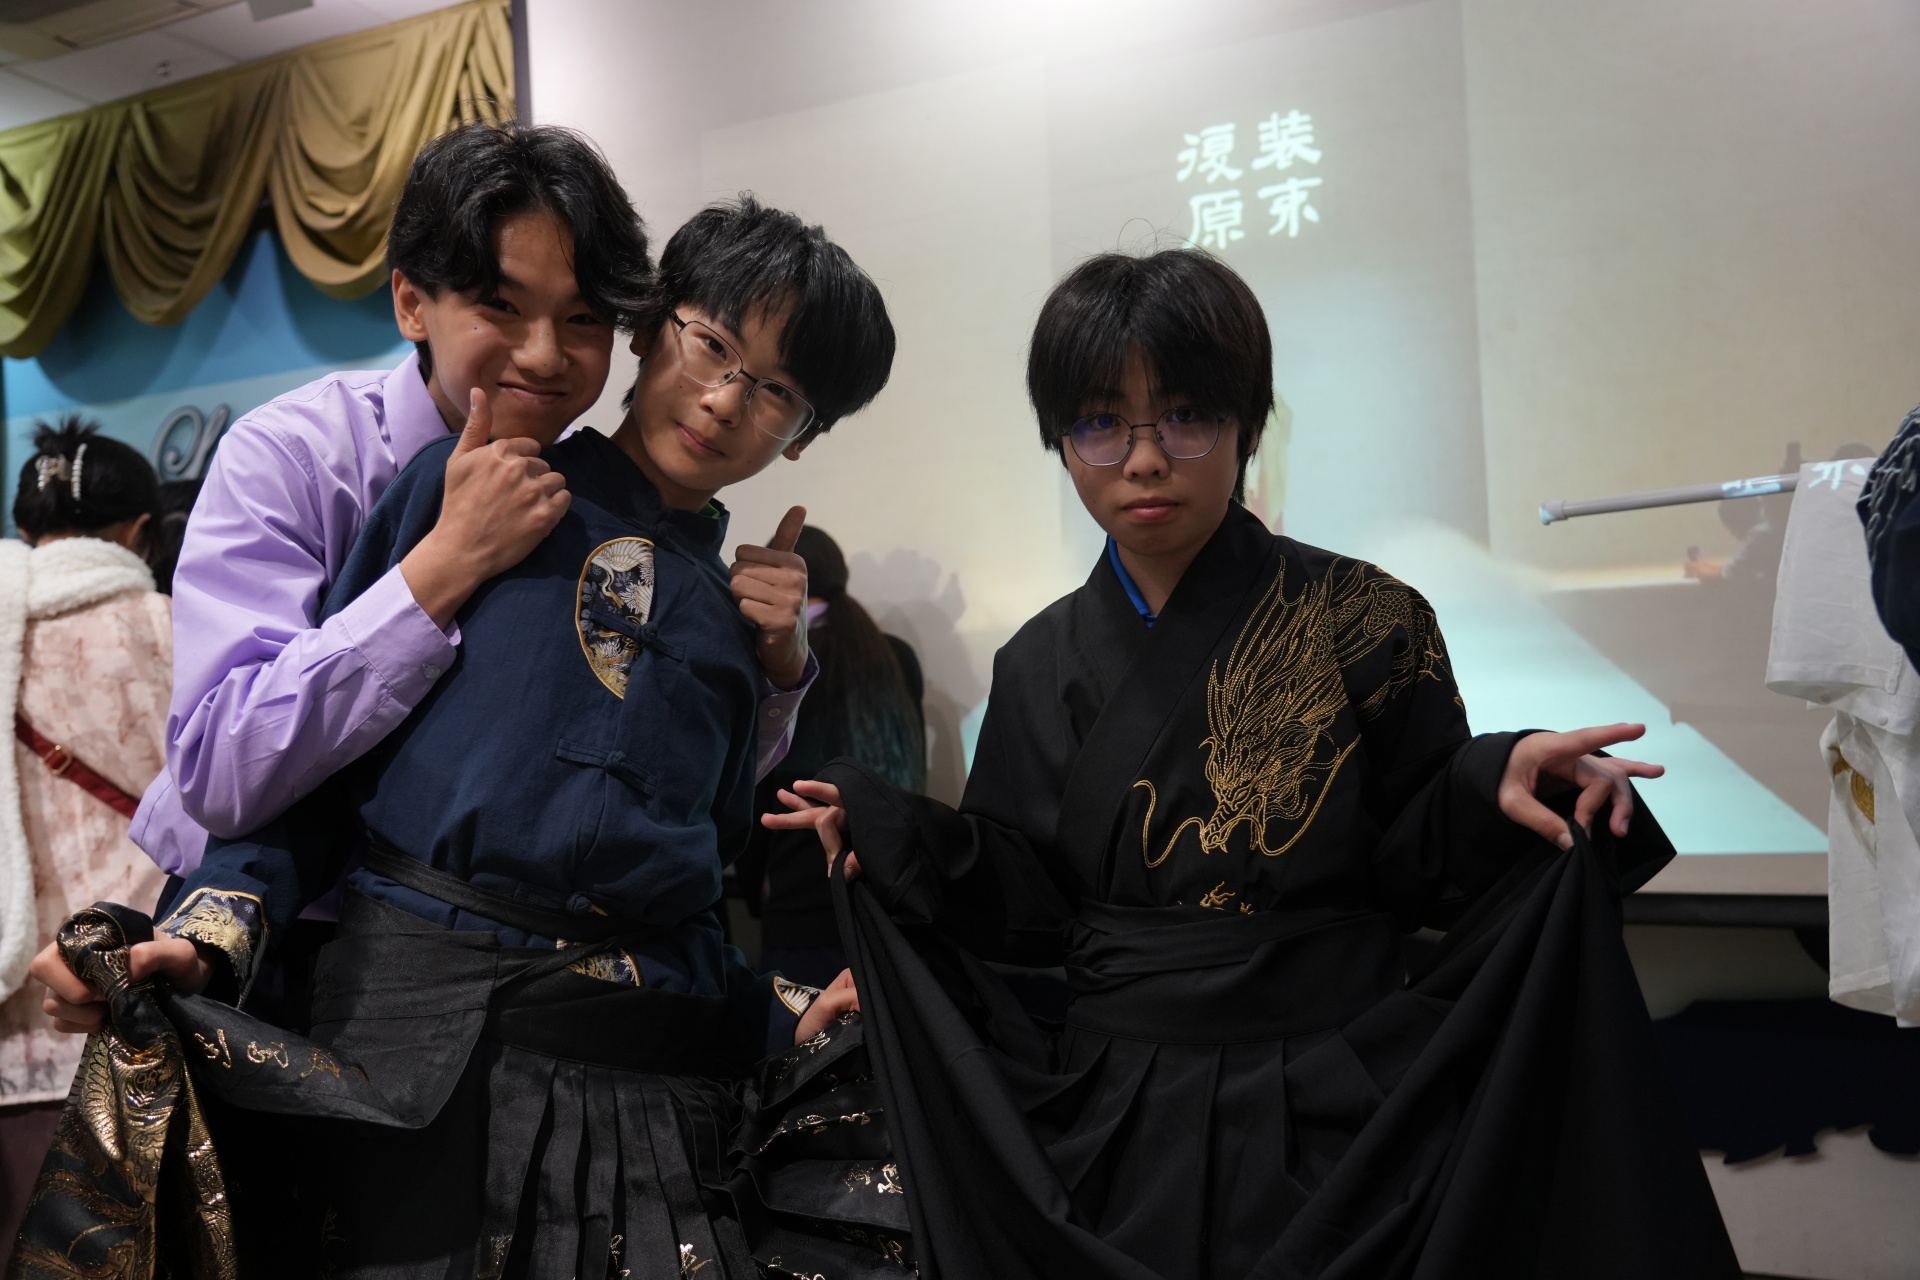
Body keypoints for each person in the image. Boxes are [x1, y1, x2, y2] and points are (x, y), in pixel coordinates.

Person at [769, 249, 1743, 1278]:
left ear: (1247, 424)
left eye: (1185, 414)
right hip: (1114, 1106)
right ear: (1061, 441)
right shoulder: (1037, 661)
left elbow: (1418, 864)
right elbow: (1026, 899)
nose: (1145, 459)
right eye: (1101, 422)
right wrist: (895, 838)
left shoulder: (1369, 615)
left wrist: (1494, 779)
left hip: (1339, 1090)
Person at [24, 197, 893, 1280]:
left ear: (802, 434)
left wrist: (784, 1011)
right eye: (711, 344)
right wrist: (208, 930)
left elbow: (688, 896)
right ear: (648, 327)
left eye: (775, 391)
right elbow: (319, 776)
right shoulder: (468, 495)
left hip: (644, 1105)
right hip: (403, 1058)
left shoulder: (736, 630)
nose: (724, 399)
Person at [126, 120, 814, 892]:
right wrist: (443, 566)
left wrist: (776, 675)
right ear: (411, 304)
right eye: (502, 306)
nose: (545, 354)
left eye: (582, 319)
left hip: (460, 933)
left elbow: (641, 760)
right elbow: (218, 772)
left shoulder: (581, 503)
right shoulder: (300, 456)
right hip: (261, 918)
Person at [0, 420, 171, 1269]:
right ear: (140, 530)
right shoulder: (173, 629)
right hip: (138, 1012)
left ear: (24, 526)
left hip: (9, 1039)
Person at [736, 525, 924, 986]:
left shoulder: (782, 661)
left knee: (807, 1029)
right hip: (896, 888)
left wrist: (752, 888)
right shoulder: (895, 655)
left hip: (802, 895)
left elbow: (755, 785)